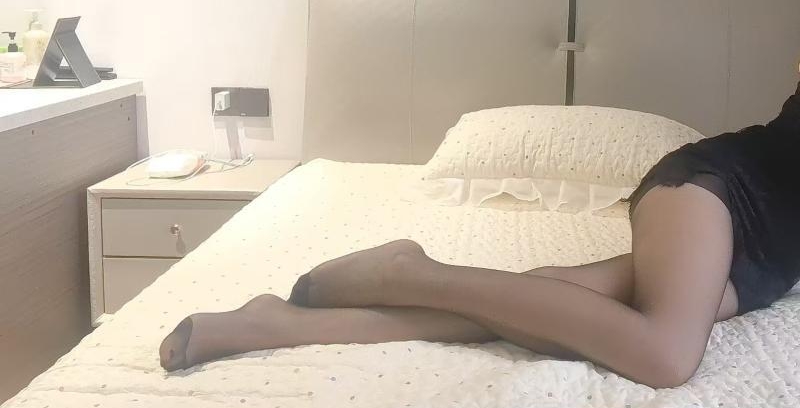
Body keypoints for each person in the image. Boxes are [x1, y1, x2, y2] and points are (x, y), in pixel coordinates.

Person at [160, 75, 800, 389]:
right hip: (724, 193)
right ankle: (412, 273)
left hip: (772, 260)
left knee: (567, 301)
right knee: (665, 355)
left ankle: (277, 323)